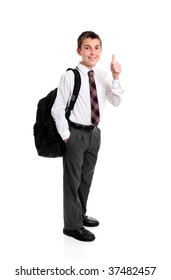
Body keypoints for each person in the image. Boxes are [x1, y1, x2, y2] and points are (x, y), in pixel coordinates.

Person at [51, 31, 123, 242]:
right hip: (75, 133)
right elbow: (57, 109)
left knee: (86, 179)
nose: (93, 52)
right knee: (72, 180)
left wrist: (116, 77)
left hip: (94, 134)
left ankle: (80, 214)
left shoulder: (102, 75)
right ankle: (71, 226)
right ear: (79, 50)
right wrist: (66, 136)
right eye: (87, 47)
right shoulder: (70, 76)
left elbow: (117, 102)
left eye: (97, 47)